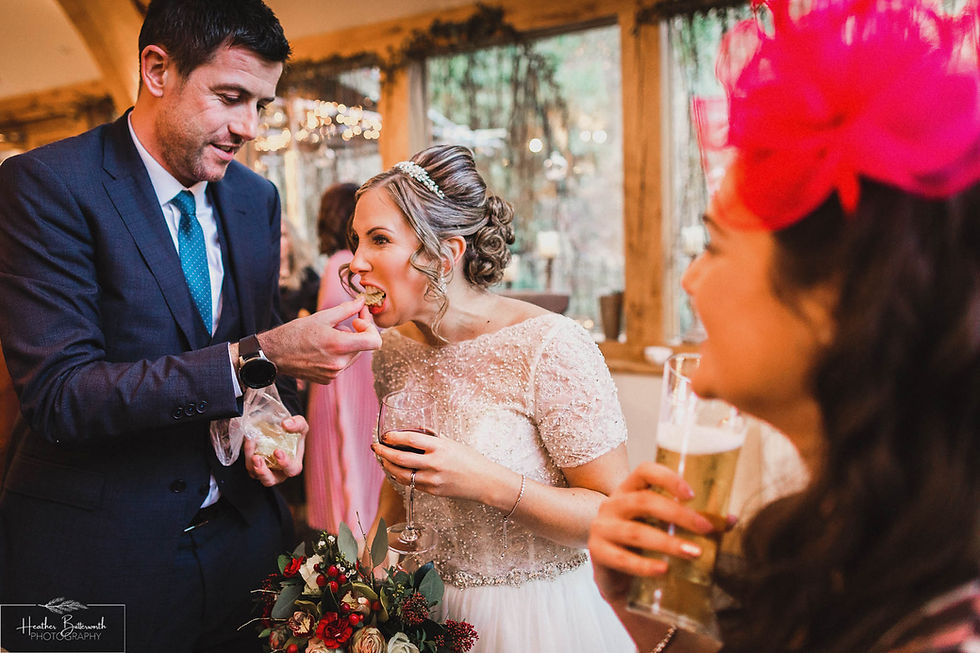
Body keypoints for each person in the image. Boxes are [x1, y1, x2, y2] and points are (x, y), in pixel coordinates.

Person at [588, 1, 980, 652]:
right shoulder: (841, 527)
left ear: (832, 301)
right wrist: (651, 623)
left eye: (712, 247)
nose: (688, 281)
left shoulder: (939, 628)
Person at [0, 1, 381, 652]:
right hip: (98, 557)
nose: (250, 127)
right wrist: (257, 356)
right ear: (157, 70)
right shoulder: (44, 186)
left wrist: (269, 422)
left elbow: (257, 355)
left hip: (245, 548)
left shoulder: (254, 198)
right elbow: (62, 395)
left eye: (261, 104)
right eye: (231, 96)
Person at [358, 145, 635, 652]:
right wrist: (367, 573)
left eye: (379, 240)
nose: (356, 263)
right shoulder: (391, 350)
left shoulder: (550, 345)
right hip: (425, 614)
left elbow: (612, 516)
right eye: (356, 241)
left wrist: (488, 482)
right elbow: (399, 487)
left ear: (446, 254)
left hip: (531, 620)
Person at [305, 182, 385, 533]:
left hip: (345, 383)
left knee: (348, 460)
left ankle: (352, 543)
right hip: (358, 378)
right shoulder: (352, 267)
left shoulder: (340, 265)